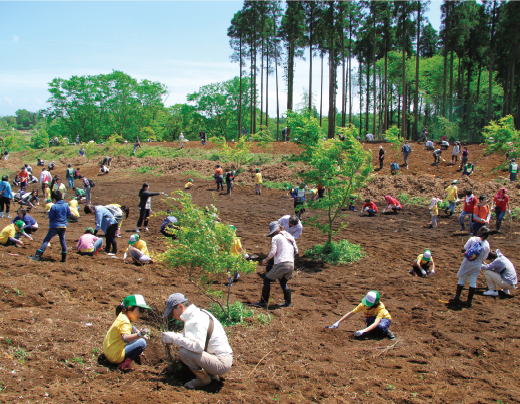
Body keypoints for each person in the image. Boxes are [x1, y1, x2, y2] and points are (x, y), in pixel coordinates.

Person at [161, 293, 233, 389]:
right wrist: (174, 336)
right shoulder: (197, 314)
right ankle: (212, 375)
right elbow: (189, 338)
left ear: (180, 306)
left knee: (184, 352)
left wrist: (175, 339)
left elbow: (198, 347)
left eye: (171, 313)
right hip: (219, 358)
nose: (173, 316)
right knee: (186, 349)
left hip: (221, 362)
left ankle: (203, 379)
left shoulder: (195, 319)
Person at [253, 221, 298, 308]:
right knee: (283, 282)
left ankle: (263, 302)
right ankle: (288, 303)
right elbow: (296, 251)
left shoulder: (276, 238)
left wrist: (266, 260)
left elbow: (273, 252)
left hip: (282, 263)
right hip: (291, 264)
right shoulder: (290, 237)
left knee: (266, 279)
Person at [103, 294, 151, 371]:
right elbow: (125, 339)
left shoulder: (122, 315)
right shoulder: (125, 322)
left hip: (108, 351)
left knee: (134, 329)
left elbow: (132, 328)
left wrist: (140, 333)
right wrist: (139, 335)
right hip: (115, 357)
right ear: (129, 308)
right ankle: (124, 364)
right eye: (140, 310)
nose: (141, 314)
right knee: (142, 343)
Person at [326, 291, 394, 340]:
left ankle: (387, 331)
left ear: (375, 303)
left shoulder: (381, 308)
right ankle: (372, 331)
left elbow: (376, 323)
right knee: (369, 320)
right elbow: (351, 313)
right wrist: (339, 322)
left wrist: (363, 331)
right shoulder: (363, 305)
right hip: (372, 319)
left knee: (381, 327)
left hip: (384, 319)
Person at [29, 190, 76, 262]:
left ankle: (37, 256)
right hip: (63, 226)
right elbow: (69, 214)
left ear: (54, 198)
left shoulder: (54, 207)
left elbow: (51, 217)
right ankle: (63, 258)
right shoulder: (66, 205)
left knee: (46, 240)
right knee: (62, 241)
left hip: (54, 226)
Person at [453, 226, 491, 307]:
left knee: (462, 279)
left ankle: (457, 296)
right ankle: (469, 300)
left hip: (468, 262)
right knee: (473, 281)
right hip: (477, 264)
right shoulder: (487, 245)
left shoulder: (473, 239)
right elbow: (485, 257)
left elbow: (465, 247)